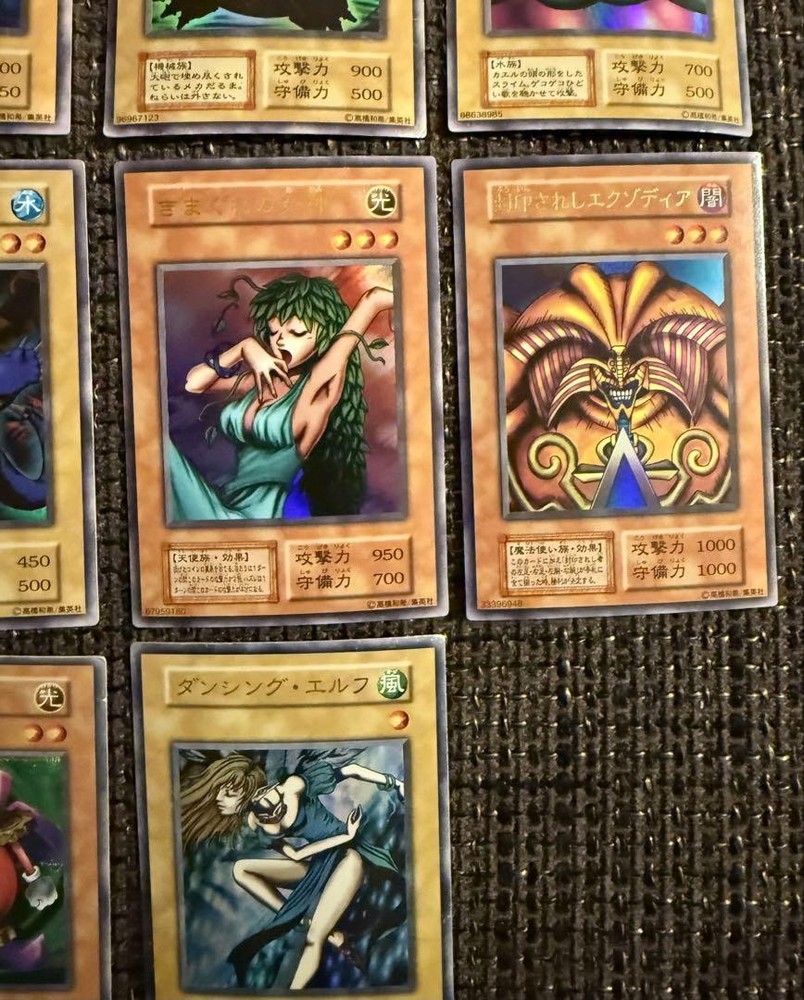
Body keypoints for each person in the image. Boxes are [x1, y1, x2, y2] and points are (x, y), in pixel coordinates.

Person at [169, 273, 392, 522]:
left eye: (296, 332)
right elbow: (194, 384)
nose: (280, 341)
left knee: (159, 449)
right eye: (274, 332)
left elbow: (372, 301)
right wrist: (244, 348)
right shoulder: (260, 382)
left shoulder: (315, 390)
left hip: (255, 515)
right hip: (225, 501)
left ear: (323, 338)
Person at [223, 748, 405, 990]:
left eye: (280, 810)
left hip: (349, 856)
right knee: (241, 870)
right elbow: (296, 854)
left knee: (312, 940)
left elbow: (351, 770)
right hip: (320, 864)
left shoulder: (296, 785)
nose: (278, 817)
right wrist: (345, 835)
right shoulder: (257, 824)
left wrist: (395, 783)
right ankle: (307, 923)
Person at [180, 753, 267, 849]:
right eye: (217, 789)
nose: (218, 797)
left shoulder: (244, 832)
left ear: (249, 798)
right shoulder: (192, 789)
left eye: (229, 794)